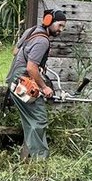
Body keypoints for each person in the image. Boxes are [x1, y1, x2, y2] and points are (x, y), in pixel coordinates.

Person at [6, 8, 67, 160]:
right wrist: (44, 87)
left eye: (63, 27)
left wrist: (36, 62)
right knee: (39, 118)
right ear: (48, 21)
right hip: (23, 80)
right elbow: (30, 67)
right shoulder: (43, 41)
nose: (61, 30)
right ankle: (40, 160)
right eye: (59, 25)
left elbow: (15, 51)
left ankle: (27, 157)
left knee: (30, 119)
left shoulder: (31, 31)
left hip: (13, 79)